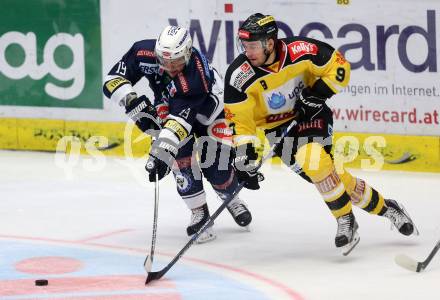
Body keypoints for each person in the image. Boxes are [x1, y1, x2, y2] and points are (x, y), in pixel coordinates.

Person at [224, 13, 418, 255]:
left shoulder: (301, 50)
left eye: (253, 46)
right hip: (277, 133)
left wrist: (316, 95)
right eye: (244, 46)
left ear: (270, 43)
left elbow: (339, 66)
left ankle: (345, 219)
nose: (247, 51)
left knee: (313, 160)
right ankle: (388, 208)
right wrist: (245, 160)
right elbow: (241, 125)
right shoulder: (238, 76)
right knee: (333, 178)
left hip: (310, 116)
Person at [103, 25, 252, 243]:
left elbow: (181, 122)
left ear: (188, 53)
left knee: (216, 169)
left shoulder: (195, 77)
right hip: (171, 107)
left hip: (209, 113)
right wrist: (133, 102)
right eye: (165, 62)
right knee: (181, 161)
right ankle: (199, 212)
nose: (171, 68)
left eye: (177, 62)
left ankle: (230, 195)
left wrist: (161, 151)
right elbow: (111, 80)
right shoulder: (142, 52)